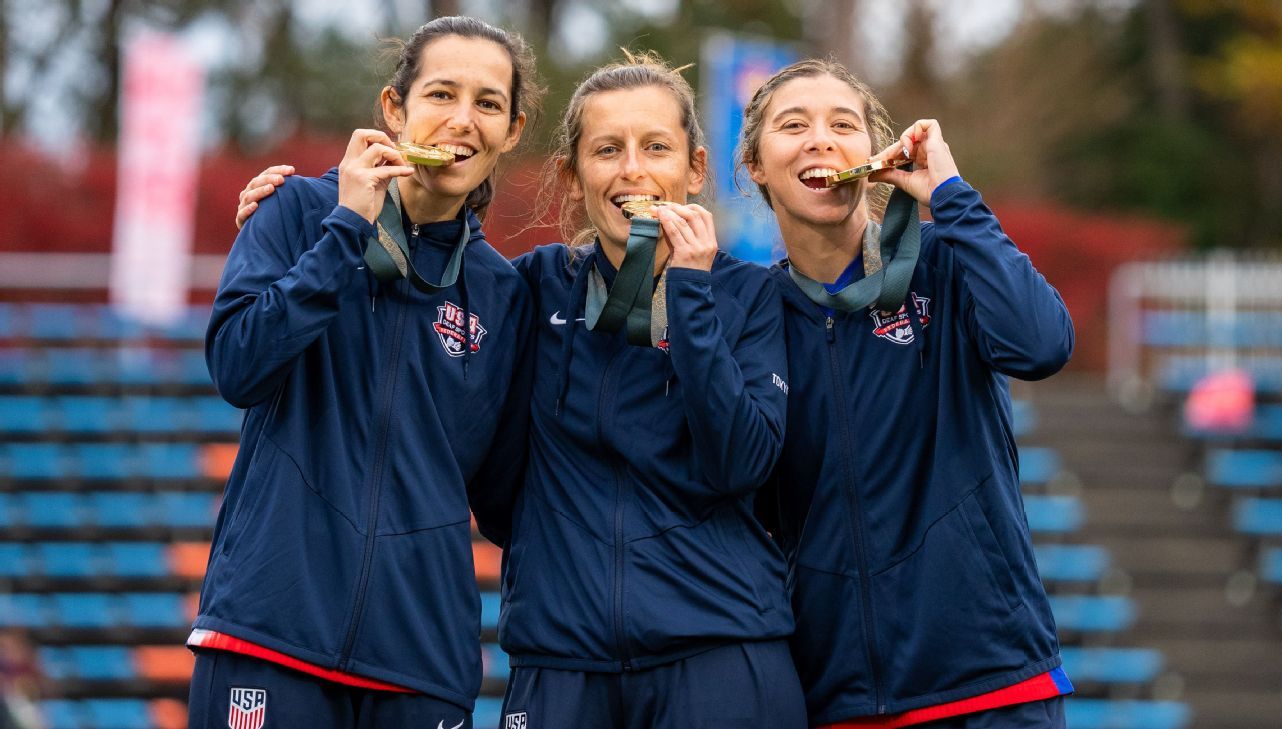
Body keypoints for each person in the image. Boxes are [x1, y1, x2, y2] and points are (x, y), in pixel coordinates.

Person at [191, 16, 540, 729]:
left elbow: (506, 497)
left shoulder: (502, 294)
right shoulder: (296, 211)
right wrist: (344, 230)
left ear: (512, 129)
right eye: (442, 93)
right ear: (394, 107)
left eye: (488, 103)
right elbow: (237, 365)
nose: (462, 120)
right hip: (270, 634)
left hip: (421, 666)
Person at [739, 59, 1075, 728]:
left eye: (844, 124)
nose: (820, 139)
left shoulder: (944, 262)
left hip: (989, 686)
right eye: (793, 124)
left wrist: (947, 192)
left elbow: (1042, 344)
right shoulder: (749, 313)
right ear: (754, 164)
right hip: (835, 698)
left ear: (874, 153)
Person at [496, 52, 804, 728]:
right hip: (560, 661)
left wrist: (689, 298)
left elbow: (742, 461)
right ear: (575, 177)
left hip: (721, 652)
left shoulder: (750, 295)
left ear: (694, 167)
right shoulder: (532, 286)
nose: (632, 169)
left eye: (655, 146)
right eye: (607, 149)